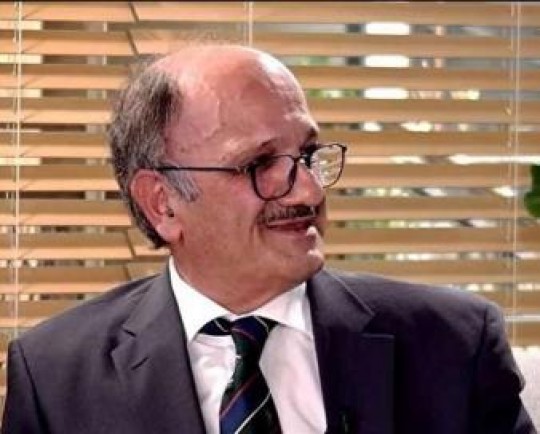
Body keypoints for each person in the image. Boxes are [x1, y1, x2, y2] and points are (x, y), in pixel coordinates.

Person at [1, 44, 536, 434]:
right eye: (258, 164)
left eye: (307, 155)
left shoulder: (453, 344)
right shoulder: (56, 376)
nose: (308, 190)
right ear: (162, 203)